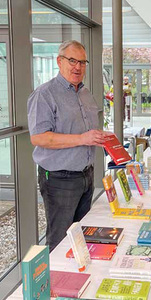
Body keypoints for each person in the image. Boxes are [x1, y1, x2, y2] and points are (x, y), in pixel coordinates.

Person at [27, 40, 110, 251]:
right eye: (72, 60)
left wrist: (104, 137)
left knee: (81, 236)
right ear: (59, 61)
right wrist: (83, 138)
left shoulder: (85, 93)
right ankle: (55, 282)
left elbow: (86, 131)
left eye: (82, 62)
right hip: (59, 179)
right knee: (59, 240)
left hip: (86, 176)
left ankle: (78, 280)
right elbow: (39, 138)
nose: (78, 67)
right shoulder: (44, 94)